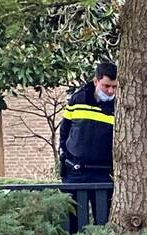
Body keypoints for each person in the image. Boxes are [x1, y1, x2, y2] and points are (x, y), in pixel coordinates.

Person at [59, 62, 117, 226]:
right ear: (96, 81)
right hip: (75, 171)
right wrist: (65, 155)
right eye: (106, 86)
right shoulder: (78, 99)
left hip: (104, 173)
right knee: (73, 223)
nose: (110, 91)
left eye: (114, 87)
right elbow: (65, 131)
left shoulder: (120, 106)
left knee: (104, 222)